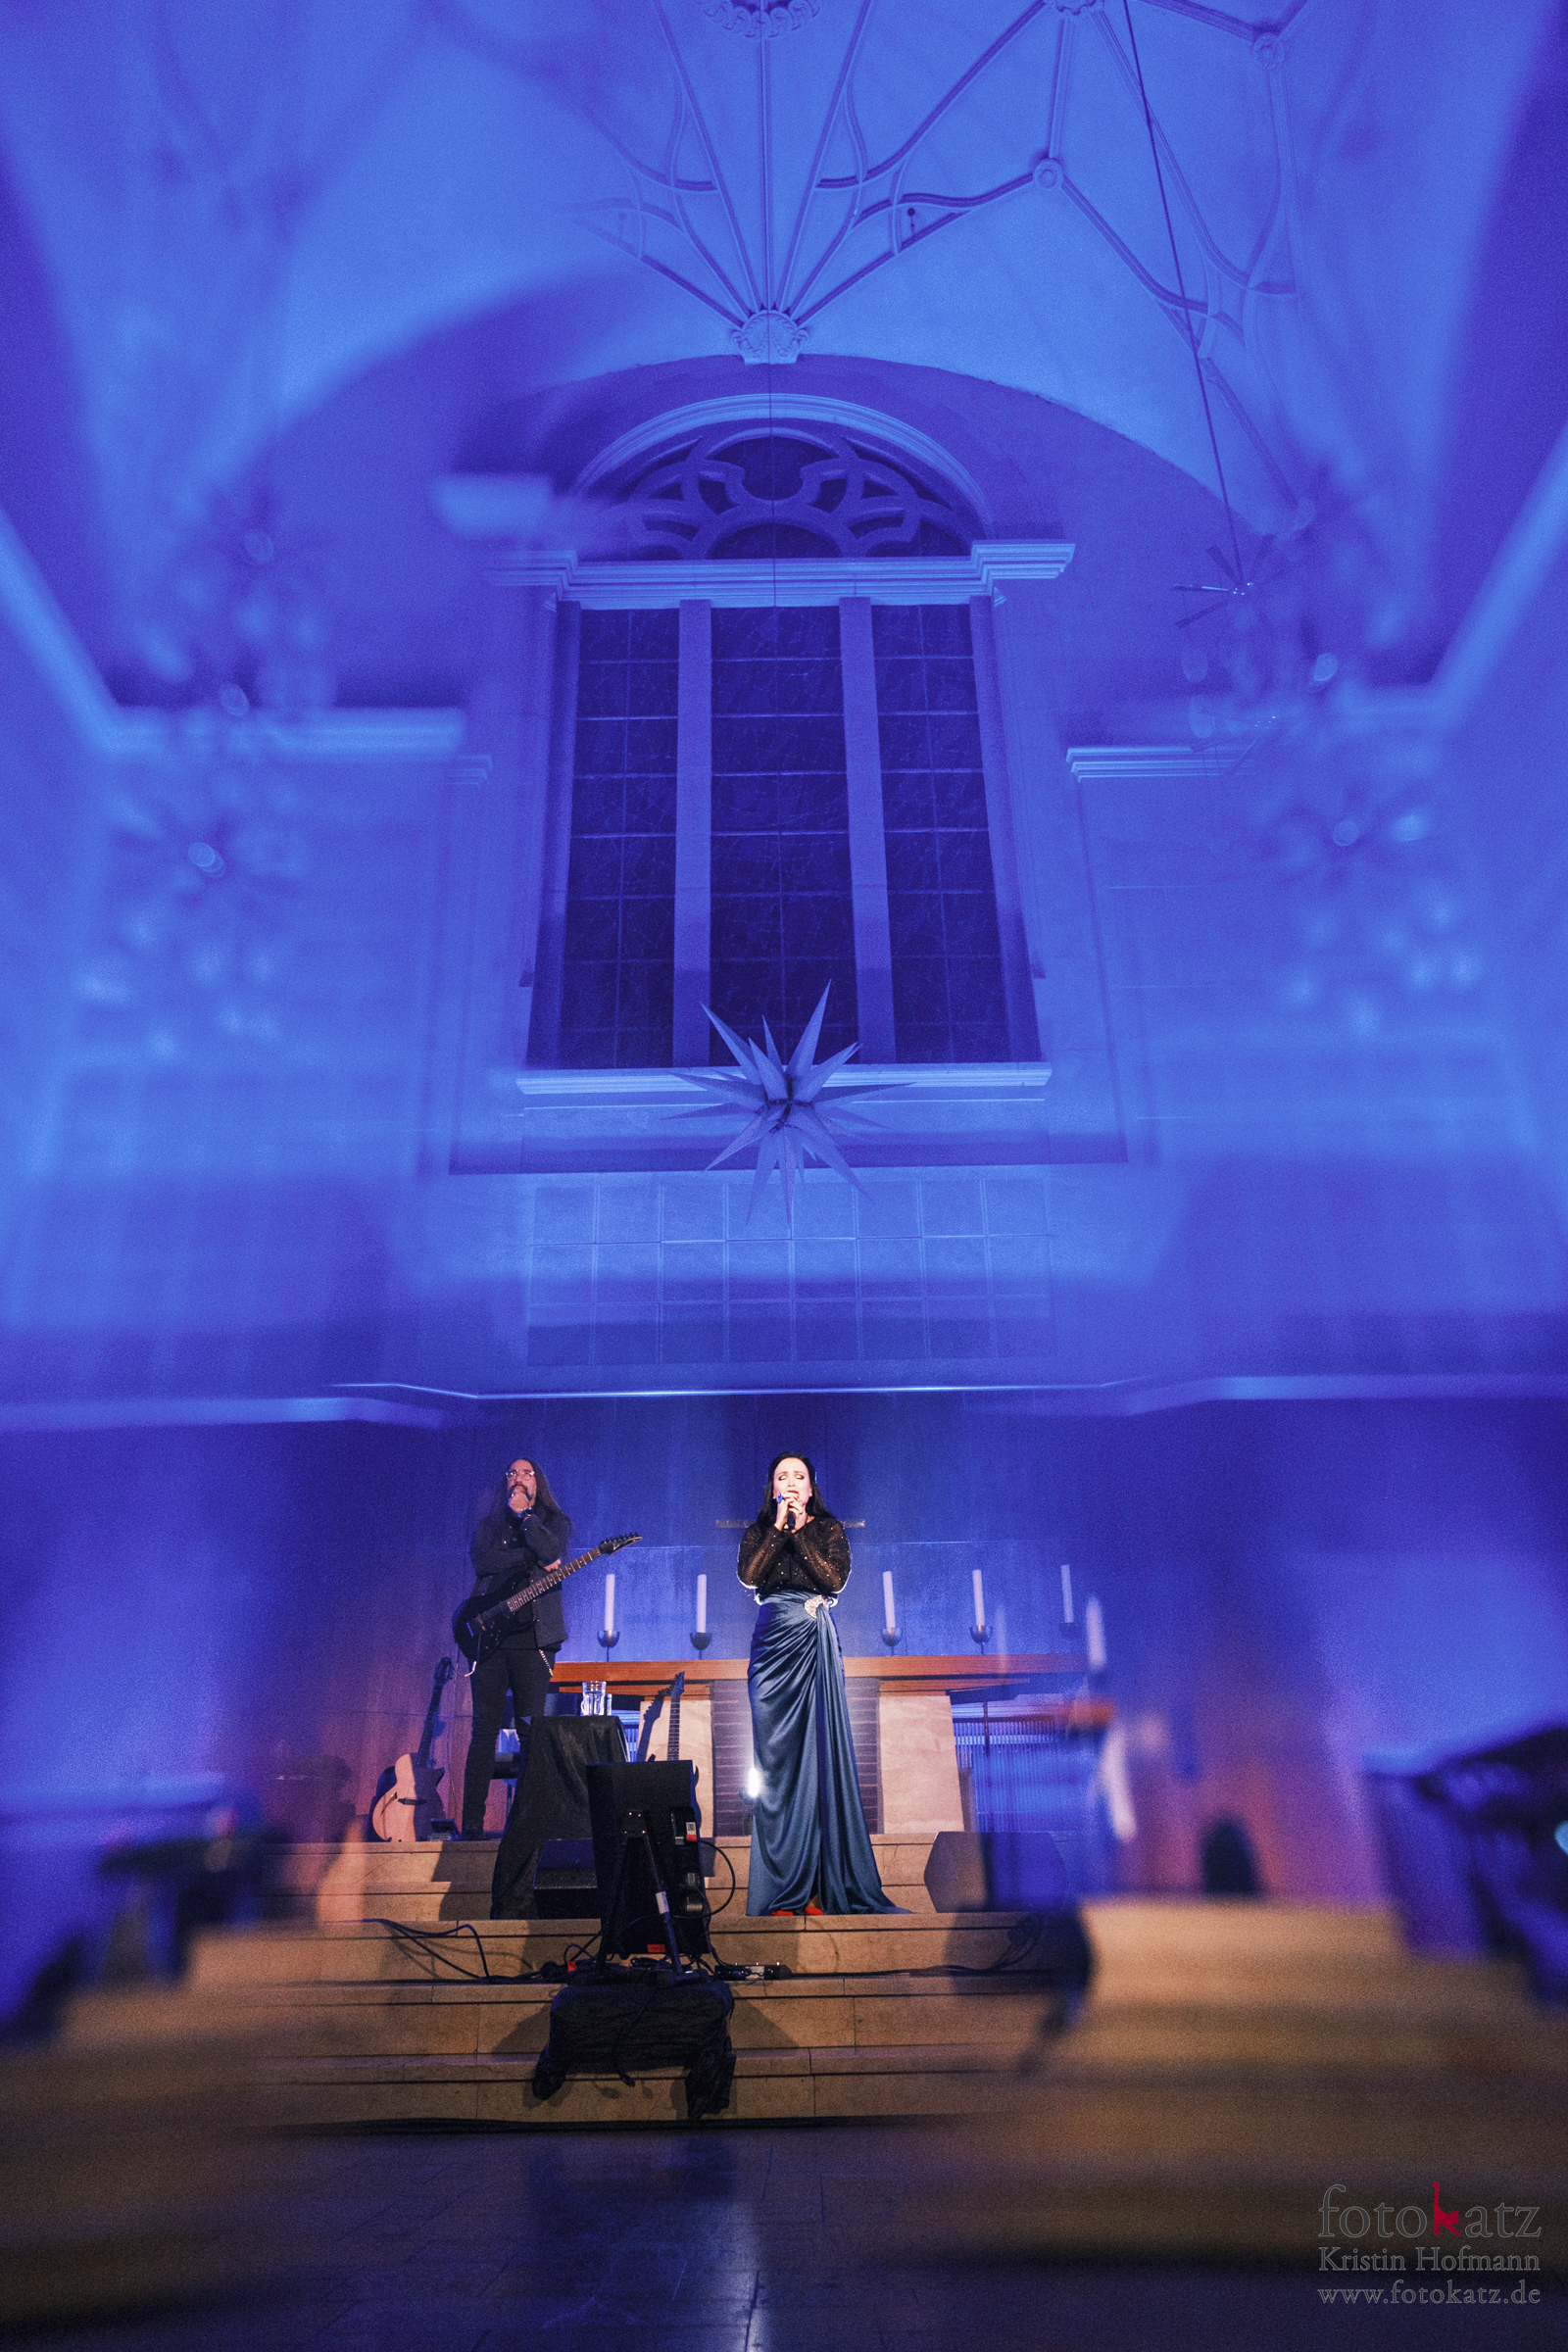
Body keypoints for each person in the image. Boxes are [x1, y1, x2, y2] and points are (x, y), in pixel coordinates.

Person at [736, 1451, 898, 1916]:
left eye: (798, 1477)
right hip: (772, 1647)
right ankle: (779, 1888)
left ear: (810, 1488)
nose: (790, 1482)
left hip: (812, 1642)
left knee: (819, 1762)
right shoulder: (757, 1533)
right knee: (776, 1766)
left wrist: (799, 1531)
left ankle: (815, 1891)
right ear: (772, 1488)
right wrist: (778, 1529)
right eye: (781, 1477)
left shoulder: (828, 1530)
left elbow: (834, 1579)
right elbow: (750, 1576)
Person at [454, 1457, 572, 1839]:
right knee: (483, 1732)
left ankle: (527, 1824)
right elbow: (483, 1561)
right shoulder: (488, 1525)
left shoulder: (554, 1522)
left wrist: (526, 1517)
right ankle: (472, 1825)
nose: (518, 1478)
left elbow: (551, 1548)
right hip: (489, 1638)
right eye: (512, 1473)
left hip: (534, 1641)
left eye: (526, 1473)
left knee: (530, 1732)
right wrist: (531, 1557)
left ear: (538, 1483)